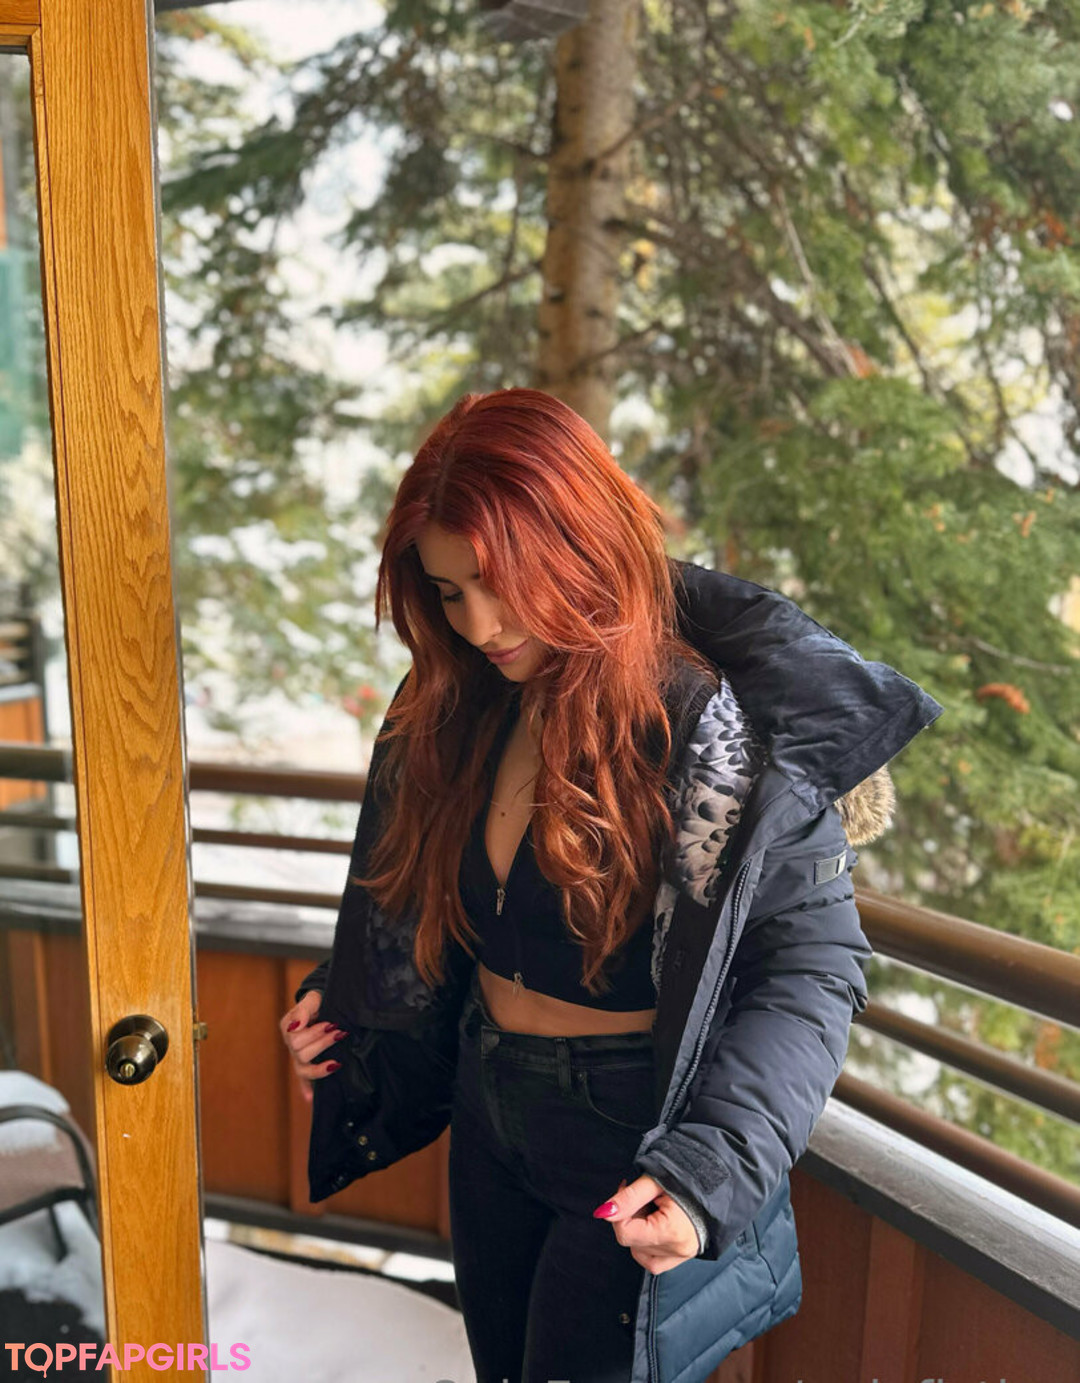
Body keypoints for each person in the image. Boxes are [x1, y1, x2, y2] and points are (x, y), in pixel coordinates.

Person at [278, 388, 942, 1383]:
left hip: (630, 1134)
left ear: (578, 545)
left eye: (500, 583)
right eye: (449, 592)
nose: (480, 623)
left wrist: (712, 1168)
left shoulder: (711, 730)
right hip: (488, 1100)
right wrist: (340, 1007)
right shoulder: (459, 699)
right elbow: (430, 902)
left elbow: (810, 967)